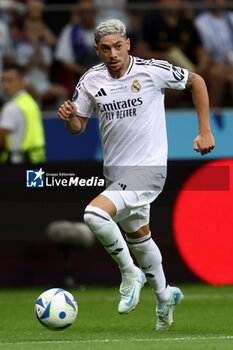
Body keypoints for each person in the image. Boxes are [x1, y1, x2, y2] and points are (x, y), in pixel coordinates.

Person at [58, 19, 215, 330]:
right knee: (140, 237)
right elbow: (78, 128)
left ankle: (130, 273)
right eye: (106, 49)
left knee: (93, 214)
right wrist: (68, 119)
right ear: (97, 51)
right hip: (117, 173)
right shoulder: (91, 80)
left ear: (128, 43)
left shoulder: (151, 70)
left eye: (118, 46)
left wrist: (205, 131)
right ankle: (164, 295)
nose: (113, 53)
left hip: (149, 169)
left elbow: (196, 80)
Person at [194, 0, 233, 124]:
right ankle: (210, 117)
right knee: (217, 73)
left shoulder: (231, 17)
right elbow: (205, 50)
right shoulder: (200, 22)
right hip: (214, 62)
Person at [0, 63, 46, 164]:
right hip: (37, 161)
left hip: (17, 166)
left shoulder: (11, 107)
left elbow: (1, 140)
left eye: (9, 80)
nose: (5, 85)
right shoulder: (31, 102)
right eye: (3, 80)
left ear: (22, 81)